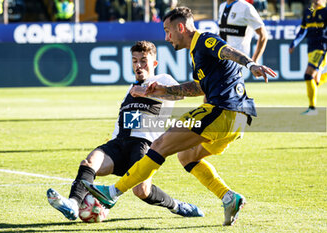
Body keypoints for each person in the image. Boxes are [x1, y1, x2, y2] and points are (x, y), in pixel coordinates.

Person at [82, 6, 277, 226]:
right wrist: (163, 91)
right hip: (237, 119)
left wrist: (251, 64)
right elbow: (198, 88)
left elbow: (227, 50)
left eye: (168, 31)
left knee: (160, 144)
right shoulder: (196, 54)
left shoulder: (204, 40)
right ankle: (228, 197)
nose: (166, 37)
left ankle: (112, 192)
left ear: (181, 27)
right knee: (186, 156)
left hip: (222, 111)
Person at [47, 41, 204, 221]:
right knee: (89, 163)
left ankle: (178, 206)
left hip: (143, 146)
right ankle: (73, 205)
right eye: (135, 61)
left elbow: (180, 94)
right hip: (118, 144)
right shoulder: (130, 89)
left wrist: (146, 92)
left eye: (144, 61)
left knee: (142, 190)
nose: (138, 65)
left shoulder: (163, 80)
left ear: (154, 64)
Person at [289, 0, 327, 115]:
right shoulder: (308, 11)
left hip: (322, 48)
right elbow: (303, 30)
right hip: (311, 48)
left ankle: (312, 109)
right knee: (314, 81)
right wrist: (294, 43)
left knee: (308, 75)